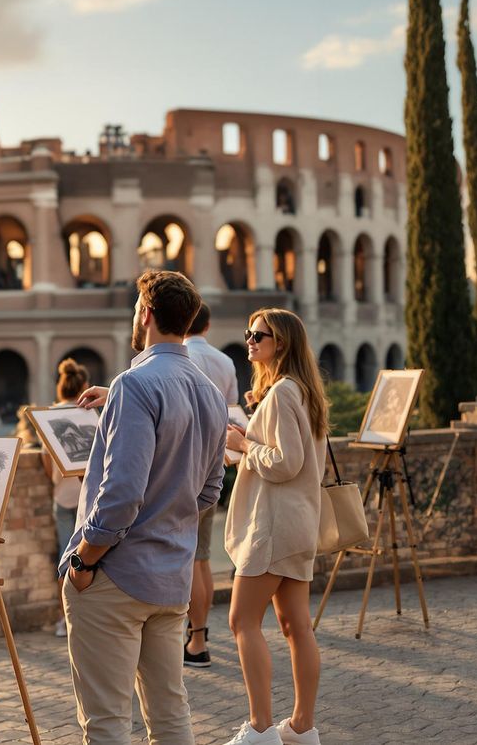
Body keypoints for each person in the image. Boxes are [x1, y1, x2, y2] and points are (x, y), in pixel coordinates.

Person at [60, 270, 226, 745]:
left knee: (108, 720)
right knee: (170, 711)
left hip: (115, 572)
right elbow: (210, 491)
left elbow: (122, 494)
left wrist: (84, 559)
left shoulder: (134, 384)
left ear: (146, 314)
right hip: (171, 574)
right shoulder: (211, 394)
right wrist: (169, 519)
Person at [221, 309, 328, 745]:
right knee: (296, 626)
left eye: (257, 335)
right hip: (299, 523)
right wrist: (254, 428)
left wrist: (243, 442)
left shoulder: (283, 393)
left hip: (274, 526)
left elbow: (285, 463)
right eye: (248, 333)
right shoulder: (301, 391)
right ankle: (302, 728)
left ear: (279, 342)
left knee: (241, 621)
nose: (249, 341)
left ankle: (261, 729)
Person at [182, 302, 240, 668]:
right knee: (201, 557)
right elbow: (231, 415)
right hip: (214, 466)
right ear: (208, 325)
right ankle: (198, 635)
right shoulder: (225, 362)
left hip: (183, 467)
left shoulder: (177, 356)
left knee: (187, 559)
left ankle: (192, 636)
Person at [39, 357, 90, 637]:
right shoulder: (89, 414)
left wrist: (57, 483)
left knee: (64, 559)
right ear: (83, 385)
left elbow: (48, 463)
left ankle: (64, 619)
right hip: (88, 497)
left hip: (61, 496)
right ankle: (88, 618)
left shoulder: (50, 416)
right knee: (91, 559)